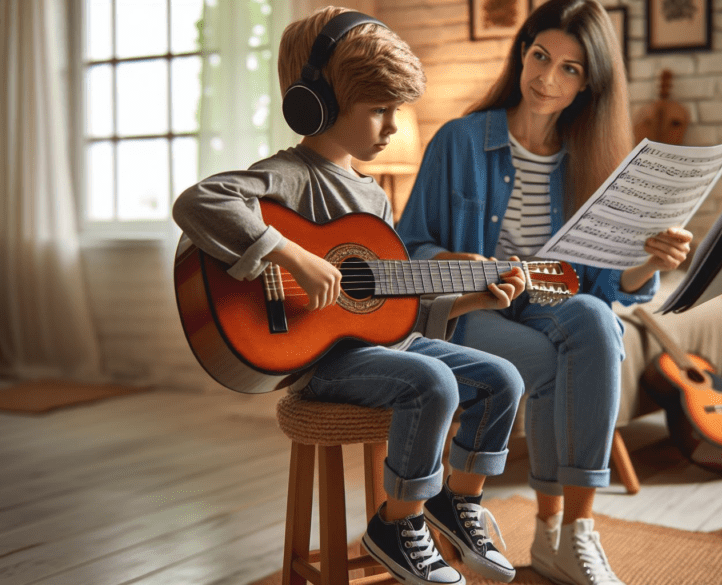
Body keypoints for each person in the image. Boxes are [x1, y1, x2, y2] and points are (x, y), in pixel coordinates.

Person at [172, 7, 526, 585]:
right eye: (380, 109)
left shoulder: (374, 198)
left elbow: (389, 308)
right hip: (321, 360)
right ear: (319, 103)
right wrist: (291, 254)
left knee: (501, 379)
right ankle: (396, 523)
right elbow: (197, 202)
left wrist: (471, 302)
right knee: (433, 383)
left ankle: (454, 502)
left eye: (397, 109)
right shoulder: (290, 175)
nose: (391, 126)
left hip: (382, 346)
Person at [396, 1, 694, 583]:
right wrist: (458, 264)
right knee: (562, 358)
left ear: (589, 84)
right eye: (540, 56)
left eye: (570, 70)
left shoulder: (591, 161)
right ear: (522, 51)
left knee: (595, 321)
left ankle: (574, 532)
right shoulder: (458, 141)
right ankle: (552, 530)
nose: (546, 78)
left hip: (552, 304)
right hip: (473, 308)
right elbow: (409, 249)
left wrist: (646, 261)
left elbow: (610, 289)